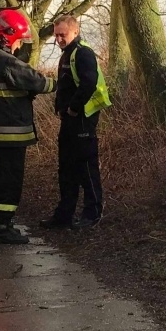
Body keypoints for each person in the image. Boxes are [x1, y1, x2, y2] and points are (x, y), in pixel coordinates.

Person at [0, 9, 54, 245]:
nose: (20, 45)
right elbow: (37, 81)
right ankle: (4, 228)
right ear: (9, 36)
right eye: (20, 40)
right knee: (10, 180)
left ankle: (3, 223)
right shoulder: (7, 61)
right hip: (11, 132)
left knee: (1, 178)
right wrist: (61, 82)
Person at [44, 14, 109, 229]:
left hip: (82, 120)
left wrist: (73, 108)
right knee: (67, 168)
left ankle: (92, 214)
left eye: (62, 34)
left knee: (86, 168)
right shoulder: (68, 53)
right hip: (70, 121)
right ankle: (64, 215)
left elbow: (89, 83)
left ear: (75, 31)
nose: (59, 39)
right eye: (56, 35)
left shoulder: (82, 53)